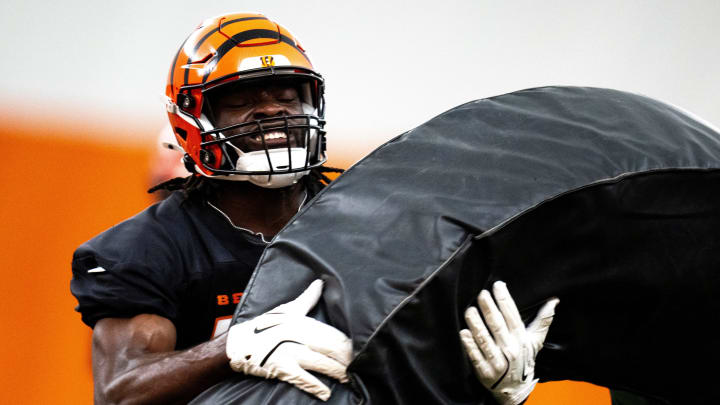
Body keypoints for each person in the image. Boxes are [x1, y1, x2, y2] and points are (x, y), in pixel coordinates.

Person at [70, 12, 558, 404]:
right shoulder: (148, 247)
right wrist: (232, 350)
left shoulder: (374, 213)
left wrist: (483, 389)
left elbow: (406, 363)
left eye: (286, 94)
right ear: (190, 121)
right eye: (242, 100)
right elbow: (119, 392)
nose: (272, 110)